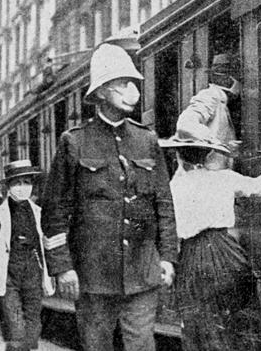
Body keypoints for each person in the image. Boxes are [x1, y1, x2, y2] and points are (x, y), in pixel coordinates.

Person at [40, 43, 178, 351]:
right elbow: (54, 214)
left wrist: (168, 256)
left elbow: (164, 205)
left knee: (141, 344)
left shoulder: (147, 140)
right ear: (101, 92)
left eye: (134, 84)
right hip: (92, 274)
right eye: (123, 84)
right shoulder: (74, 143)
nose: (133, 91)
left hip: (142, 270)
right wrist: (63, 267)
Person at [159, 133, 261, 350]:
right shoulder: (223, 177)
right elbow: (258, 186)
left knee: (200, 315)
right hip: (223, 248)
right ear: (207, 155)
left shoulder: (174, 186)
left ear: (179, 158)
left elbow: (170, 223)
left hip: (190, 254)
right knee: (249, 294)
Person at [0, 159, 55, 351]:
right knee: (15, 329)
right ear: (8, 187)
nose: (22, 189)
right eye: (17, 184)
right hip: (8, 275)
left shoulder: (39, 213)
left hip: (33, 273)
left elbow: (47, 243)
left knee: (33, 326)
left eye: (27, 183)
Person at [175, 53, 242, 170]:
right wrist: (218, 144)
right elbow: (185, 124)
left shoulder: (225, 100)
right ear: (228, 78)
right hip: (208, 176)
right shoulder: (210, 95)